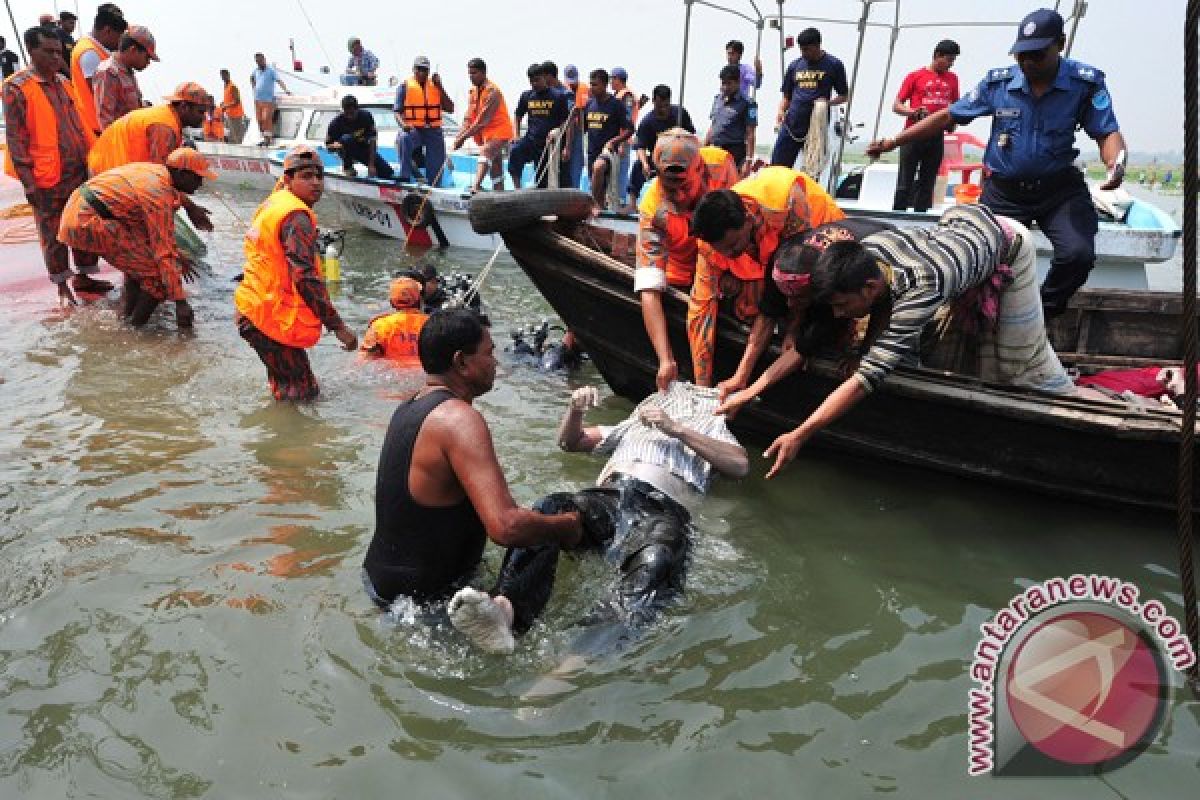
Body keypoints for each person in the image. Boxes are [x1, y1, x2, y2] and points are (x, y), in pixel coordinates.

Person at [762, 204, 1077, 478]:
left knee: (1016, 364)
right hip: (960, 230)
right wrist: (862, 349)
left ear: (868, 287)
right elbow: (884, 303)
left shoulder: (923, 287)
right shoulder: (870, 250)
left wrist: (801, 433)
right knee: (939, 351)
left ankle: (1064, 392)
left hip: (1008, 243)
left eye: (843, 306)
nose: (838, 313)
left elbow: (866, 378)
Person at [446, 381, 748, 654]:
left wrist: (677, 429)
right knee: (552, 507)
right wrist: (574, 410)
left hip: (662, 509)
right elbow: (571, 442)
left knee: (657, 561)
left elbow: (739, 465)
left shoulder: (714, 428)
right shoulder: (633, 425)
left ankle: (569, 665)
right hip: (610, 497)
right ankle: (505, 611)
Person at [866, 8, 1125, 318]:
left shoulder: (1085, 84)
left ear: (1060, 44)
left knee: (1078, 255)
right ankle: (982, 318)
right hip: (1005, 193)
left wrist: (1116, 165)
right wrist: (894, 141)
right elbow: (948, 116)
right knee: (980, 260)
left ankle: (1042, 313)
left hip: (1058, 191)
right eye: (1022, 55)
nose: (1028, 62)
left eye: (1038, 55)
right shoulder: (997, 84)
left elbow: (1107, 132)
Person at [362, 308, 586, 610]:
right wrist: (569, 526)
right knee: (545, 526)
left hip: (380, 584)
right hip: (427, 602)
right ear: (461, 361)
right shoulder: (460, 419)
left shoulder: (408, 407)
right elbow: (506, 527)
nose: (495, 363)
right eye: (489, 353)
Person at [715, 218, 896, 418]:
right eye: (787, 297)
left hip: (881, 248)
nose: (790, 304)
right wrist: (740, 377)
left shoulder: (833, 290)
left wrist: (863, 353)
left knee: (865, 307)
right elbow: (768, 316)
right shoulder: (781, 260)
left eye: (799, 297)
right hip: (835, 249)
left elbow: (800, 351)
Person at [687, 166, 845, 386]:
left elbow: (798, 274)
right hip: (775, 258)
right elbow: (701, 310)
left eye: (733, 246)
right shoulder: (709, 243)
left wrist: (794, 331)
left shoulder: (785, 205)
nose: (729, 255)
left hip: (823, 240)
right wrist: (701, 384)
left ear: (748, 220)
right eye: (722, 249)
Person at [234, 146, 358, 402]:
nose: (315, 183)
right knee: (302, 394)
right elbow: (304, 276)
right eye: (306, 176)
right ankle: (289, 441)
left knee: (291, 385)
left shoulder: (276, 201)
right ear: (288, 179)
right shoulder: (296, 216)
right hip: (268, 315)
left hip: (253, 308)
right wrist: (337, 326)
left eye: (319, 176)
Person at [3, 25, 106, 306]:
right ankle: (62, 287)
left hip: (77, 171)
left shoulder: (63, 82)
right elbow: (16, 140)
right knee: (53, 234)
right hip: (46, 176)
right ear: (30, 51)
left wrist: (92, 162)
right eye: (47, 52)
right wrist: (29, 183)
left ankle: (84, 276)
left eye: (57, 52)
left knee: (82, 226)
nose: (54, 58)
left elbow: (78, 123)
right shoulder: (16, 87)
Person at [58, 147, 214, 329]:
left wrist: (176, 255)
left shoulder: (155, 173)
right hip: (88, 221)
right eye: (198, 178)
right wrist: (180, 302)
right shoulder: (158, 194)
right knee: (158, 278)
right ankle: (136, 332)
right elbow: (163, 252)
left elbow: (154, 239)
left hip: (81, 211)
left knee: (140, 266)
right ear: (181, 173)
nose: (200, 183)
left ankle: (126, 319)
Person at [634, 130, 739, 391]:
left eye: (685, 186)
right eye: (671, 188)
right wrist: (665, 360)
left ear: (700, 169)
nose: (679, 197)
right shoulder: (653, 209)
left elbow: (741, 224)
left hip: (725, 259)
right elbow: (649, 288)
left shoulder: (721, 167)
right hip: (681, 272)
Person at [890, 40, 960, 212]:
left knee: (927, 183)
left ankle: (919, 220)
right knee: (904, 183)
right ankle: (897, 216)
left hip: (936, 137)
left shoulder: (953, 79)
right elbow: (897, 106)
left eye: (953, 61)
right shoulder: (915, 76)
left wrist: (953, 122)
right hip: (912, 135)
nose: (951, 64)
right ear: (937, 56)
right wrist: (913, 112)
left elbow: (957, 106)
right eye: (949, 60)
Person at [771, 27, 848, 169]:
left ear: (817, 46)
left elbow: (844, 96)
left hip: (816, 129)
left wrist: (827, 103)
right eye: (801, 49)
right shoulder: (795, 66)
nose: (804, 53)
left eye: (807, 49)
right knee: (777, 167)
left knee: (812, 171)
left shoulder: (834, 65)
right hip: (791, 126)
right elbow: (787, 96)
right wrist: (781, 111)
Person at [453, 58, 514, 194]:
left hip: (501, 132)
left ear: (483, 72)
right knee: (496, 165)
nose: (471, 77)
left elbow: (482, 121)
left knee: (485, 152)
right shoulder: (473, 92)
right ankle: (499, 192)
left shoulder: (493, 92)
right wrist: (459, 136)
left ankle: (476, 186)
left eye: (474, 73)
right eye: (469, 73)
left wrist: (463, 138)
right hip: (487, 135)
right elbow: (469, 118)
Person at [629, 85, 693, 207]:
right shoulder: (647, 121)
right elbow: (640, 146)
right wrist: (645, 164)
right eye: (659, 106)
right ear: (653, 102)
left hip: (679, 160)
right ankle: (632, 204)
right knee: (638, 166)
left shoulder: (680, 114)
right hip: (658, 160)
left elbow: (691, 136)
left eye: (666, 106)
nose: (663, 110)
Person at [395, 56, 454, 186]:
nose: (422, 73)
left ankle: (433, 185)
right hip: (414, 129)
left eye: (425, 70)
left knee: (436, 166)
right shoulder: (404, 86)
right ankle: (404, 175)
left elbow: (450, 108)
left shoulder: (435, 86)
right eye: (419, 69)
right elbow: (397, 112)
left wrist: (440, 86)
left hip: (433, 131)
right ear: (413, 69)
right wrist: (403, 124)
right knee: (403, 137)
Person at [509, 63, 570, 188]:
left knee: (542, 180)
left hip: (549, 144)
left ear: (544, 78)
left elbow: (566, 123)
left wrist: (566, 147)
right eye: (531, 81)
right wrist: (516, 134)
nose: (534, 84)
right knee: (515, 151)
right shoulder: (526, 96)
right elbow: (518, 115)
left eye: (537, 80)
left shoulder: (558, 96)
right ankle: (517, 188)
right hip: (531, 140)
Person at [70, 4, 127, 136]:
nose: (120, 43)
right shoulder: (90, 52)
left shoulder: (98, 49)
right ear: (107, 31)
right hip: (96, 127)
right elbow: (100, 94)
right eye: (119, 37)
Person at [583, 68, 633, 209]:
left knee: (598, 168)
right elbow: (584, 128)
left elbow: (630, 129)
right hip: (592, 152)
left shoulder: (616, 105)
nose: (592, 88)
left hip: (608, 153)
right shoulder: (589, 105)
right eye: (591, 84)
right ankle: (600, 212)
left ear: (605, 85)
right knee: (599, 191)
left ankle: (592, 204)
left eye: (595, 85)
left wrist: (614, 142)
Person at [92, 24, 156, 131]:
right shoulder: (108, 72)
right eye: (147, 57)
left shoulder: (127, 72)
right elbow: (106, 120)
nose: (148, 63)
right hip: (120, 143)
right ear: (133, 50)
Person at [361, 277, 429, 364]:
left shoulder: (379, 325)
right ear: (419, 300)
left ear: (391, 303)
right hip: (427, 374)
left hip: (390, 374)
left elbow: (364, 361)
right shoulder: (434, 324)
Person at [325, 94, 393, 179]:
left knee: (387, 172)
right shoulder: (336, 123)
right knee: (346, 139)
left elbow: (373, 140)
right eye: (347, 113)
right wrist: (335, 146)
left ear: (357, 109)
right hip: (346, 150)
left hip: (362, 148)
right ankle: (348, 168)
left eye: (352, 113)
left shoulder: (366, 116)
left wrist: (371, 165)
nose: (349, 116)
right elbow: (328, 146)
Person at [707, 64, 758, 174]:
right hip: (715, 152)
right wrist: (703, 149)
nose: (725, 87)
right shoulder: (717, 99)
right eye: (723, 83)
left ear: (738, 82)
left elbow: (751, 133)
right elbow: (713, 126)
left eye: (729, 83)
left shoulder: (749, 104)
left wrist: (748, 161)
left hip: (734, 153)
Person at [610, 67, 639, 209]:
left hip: (622, 140)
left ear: (617, 79)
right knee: (616, 170)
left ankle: (620, 200)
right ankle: (616, 199)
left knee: (621, 170)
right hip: (618, 139)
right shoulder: (619, 95)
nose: (610, 82)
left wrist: (621, 142)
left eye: (612, 78)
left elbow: (626, 120)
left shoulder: (626, 96)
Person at [560, 64, 589, 188]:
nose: (572, 84)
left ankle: (575, 189)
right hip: (565, 130)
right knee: (564, 162)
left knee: (577, 164)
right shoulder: (561, 89)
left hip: (579, 131)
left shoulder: (586, 89)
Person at [250, 52, 288, 145]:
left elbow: (279, 80)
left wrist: (286, 89)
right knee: (259, 120)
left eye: (260, 61)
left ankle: (268, 138)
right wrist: (254, 87)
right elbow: (251, 78)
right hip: (257, 99)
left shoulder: (271, 71)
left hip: (268, 100)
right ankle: (264, 137)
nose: (259, 63)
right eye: (257, 61)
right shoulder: (255, 71)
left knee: (266, 118)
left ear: (264, 60)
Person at [219, 68, 248, 144]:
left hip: (236, 116)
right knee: (230, 135)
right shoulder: (226, 86)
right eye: (222, 76)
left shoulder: (233, 86)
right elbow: (229, 99)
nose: (223, 78)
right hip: (229, 115)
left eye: (224, 75)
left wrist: (226, 106)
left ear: (228, 75)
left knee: (237, 137)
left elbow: (237, 101)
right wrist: (223, 104)